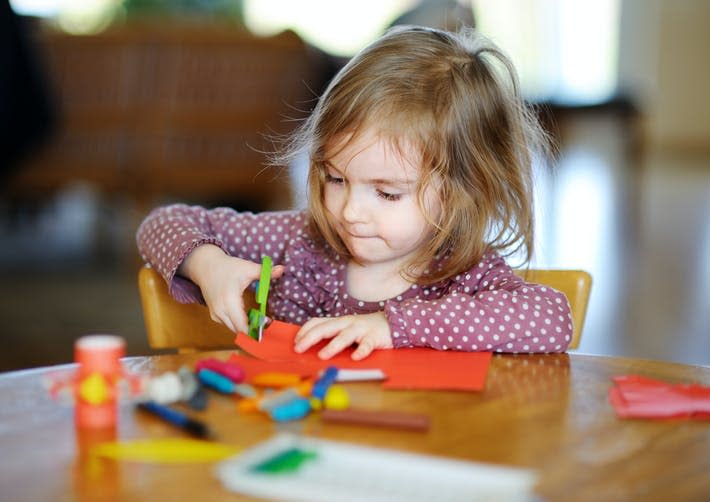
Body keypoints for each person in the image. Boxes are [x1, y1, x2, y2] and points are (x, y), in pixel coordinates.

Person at [136, 25, 573, 361]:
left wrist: (393, 327)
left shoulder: (463, 271)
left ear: (464, 192)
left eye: (386, 194)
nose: (350, 213)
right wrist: (207, 264)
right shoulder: (302, 242)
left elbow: (552, 318)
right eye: (336, 179)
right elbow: (161, 223)